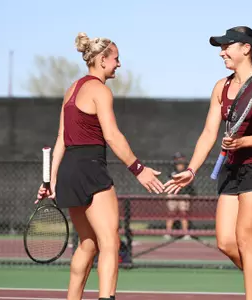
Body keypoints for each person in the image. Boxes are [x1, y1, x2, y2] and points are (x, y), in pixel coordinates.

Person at [165, 26, 252, 300]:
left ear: (246, 48)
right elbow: (209, 132)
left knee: (246, 239)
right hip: (233, 171)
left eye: (227, 46)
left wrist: (244, 142)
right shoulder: (221, 87)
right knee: (226, 242)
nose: (222, 52)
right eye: (221, 48)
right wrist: (191, 169)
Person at [37, 32, 164, 300]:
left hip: (71, 170)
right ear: (102, 59)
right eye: (116, 58)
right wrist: (139, 169)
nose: (119, 64)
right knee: (110, 243)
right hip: (90, 168)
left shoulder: (71, 89)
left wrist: (49, 179)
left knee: (88, 243)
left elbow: (61, 138)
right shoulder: (100, 91)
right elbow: (112, 136)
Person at [164, 152, 196, 240]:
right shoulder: (171, 170)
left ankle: (185, 233)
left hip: (184, 194)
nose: (179, 161)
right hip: (173, 194)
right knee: (171, 213)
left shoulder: (188, 171)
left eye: (181, 159)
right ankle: (168, 233)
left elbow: (190, 184)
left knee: (184, 214)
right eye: (177, 159)